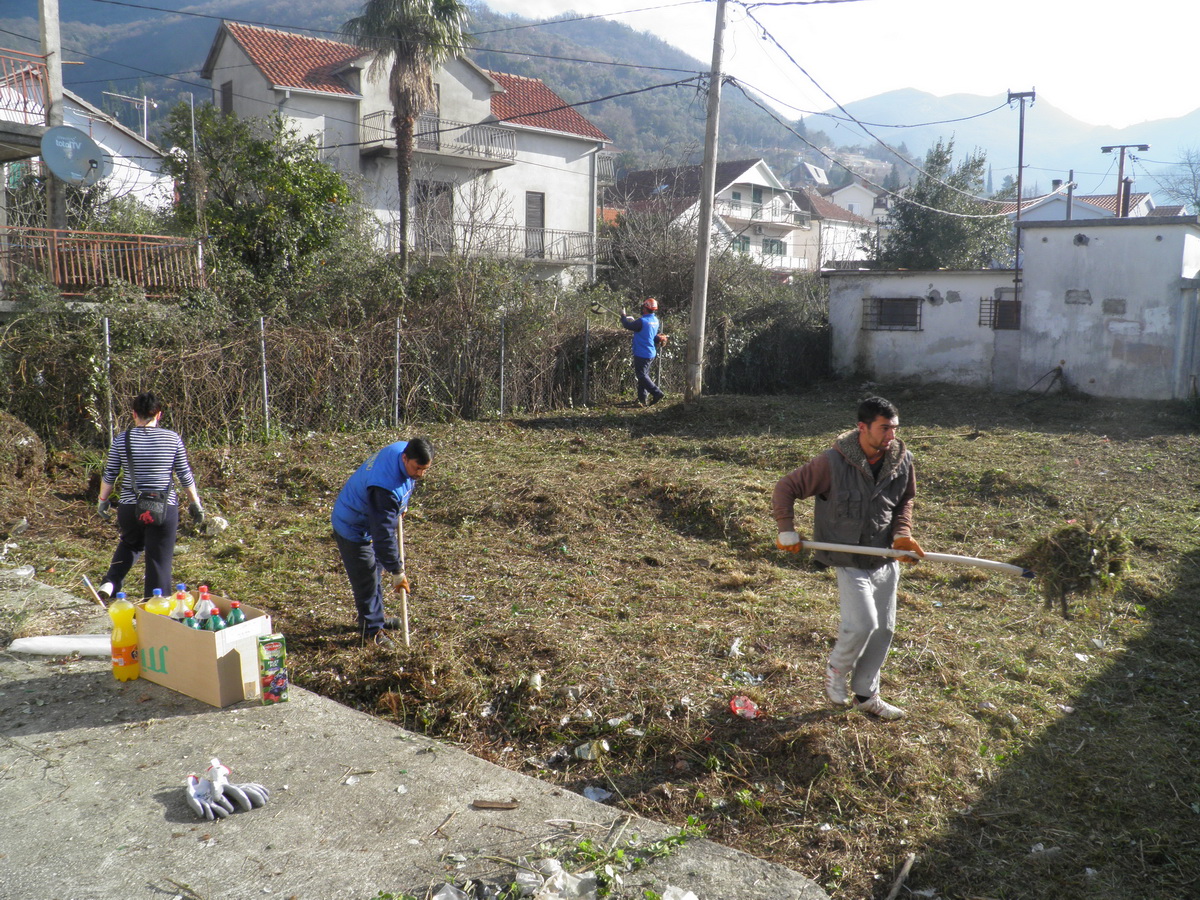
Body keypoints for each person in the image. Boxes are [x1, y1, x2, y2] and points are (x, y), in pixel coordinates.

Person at [772, 396, 924, 721]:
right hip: (848, 555)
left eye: (894, 429)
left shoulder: (902, 461)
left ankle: (867, 694)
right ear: (862, 427)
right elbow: (786, 487)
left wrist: (902, 534)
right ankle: (836, 671)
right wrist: (787, 529)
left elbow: (904, 502)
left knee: (884, 629)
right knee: (862, 624)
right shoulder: (832, 463)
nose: (890, 437)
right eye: (884, 429)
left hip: (884, 556)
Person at [95, 392, 204, 601]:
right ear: (159, 415)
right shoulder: (172, 439)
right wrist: (195, 503)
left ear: (134, 414)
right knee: (159, 561)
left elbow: (109, 474)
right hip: (163, 508)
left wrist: (103, 501)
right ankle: (155, 611)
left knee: (130, 543)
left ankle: (111, 581)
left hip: (130, 507)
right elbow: (184, 474)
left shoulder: (122, 439)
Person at [331, 437, 434, 648]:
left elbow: (401, 491)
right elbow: (383, 536)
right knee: (367, 578)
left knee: (375, 573)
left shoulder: (401, 449)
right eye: (417, 468)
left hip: (370, 520)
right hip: (353, 526)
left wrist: (401, 507)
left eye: (425, 469)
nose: (421, 474)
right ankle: (371, 632)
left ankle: (376, 618)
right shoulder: (384, 488)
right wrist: (398, 572)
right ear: (405, 458)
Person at [619, 297, 666, 406]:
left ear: (645, 308)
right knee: (644, 376)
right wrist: (633, 321)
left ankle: (657, 393)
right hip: (651, 352)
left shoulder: (642, 321)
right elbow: (643, 329)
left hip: (642, 353)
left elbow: (627, 326)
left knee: (641, 376)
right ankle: (642, 399)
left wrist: (623, 316)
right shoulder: (655, 320)